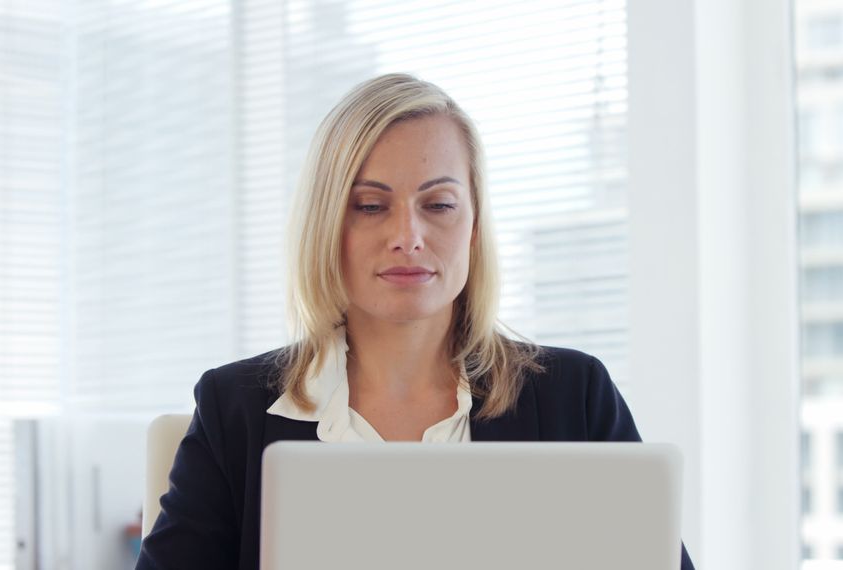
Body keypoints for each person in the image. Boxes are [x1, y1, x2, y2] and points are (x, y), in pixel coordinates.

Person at [135, 73, 695, 570]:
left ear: (474, 227)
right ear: (327, 224)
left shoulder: (575, 396)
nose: (408, 237)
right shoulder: (233, 409)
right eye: (370, 206)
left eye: (439, 205)